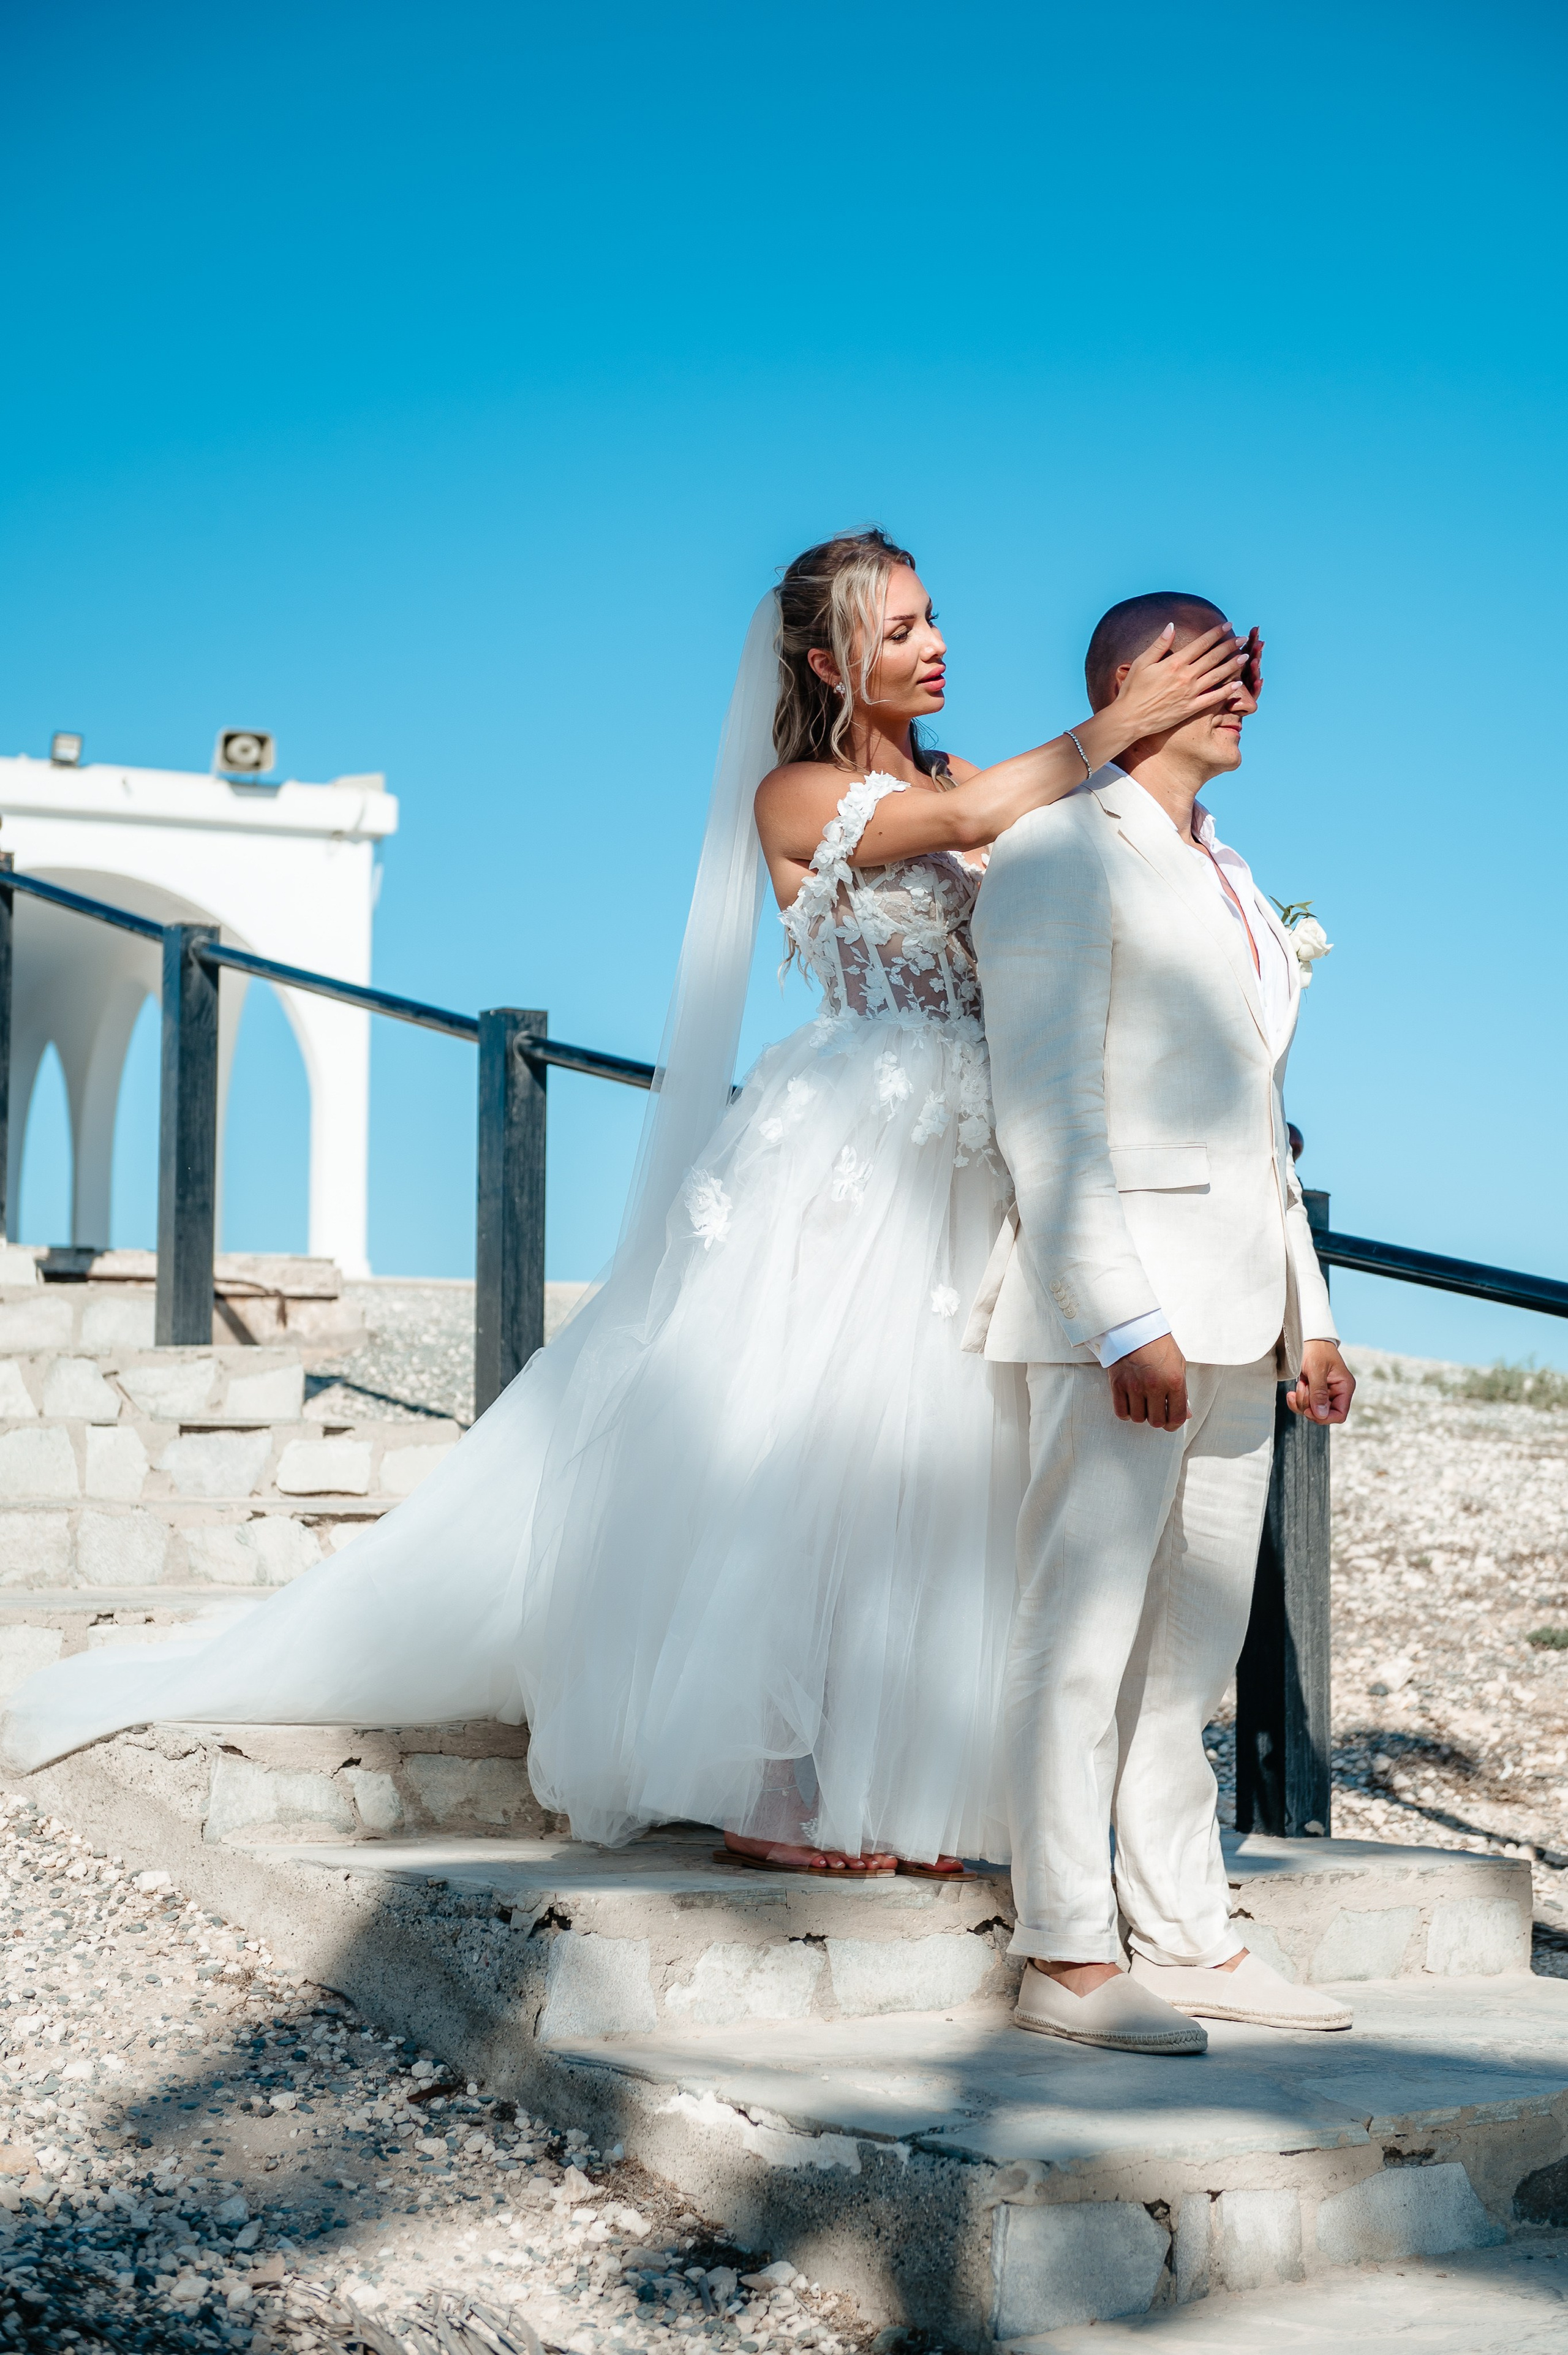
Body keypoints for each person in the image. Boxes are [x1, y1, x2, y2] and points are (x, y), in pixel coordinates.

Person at [0, 535, 1247, 1884]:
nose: (932, 643)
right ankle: (779, 1779)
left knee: (953, 1466)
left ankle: (915, 1781)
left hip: (978, 1157)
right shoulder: (799, 792)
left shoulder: (973, 774)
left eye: (933, 616)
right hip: (858, 1149)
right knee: (815, 1449)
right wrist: (1108, 727)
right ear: (828, 661)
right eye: (896, 631)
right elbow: (948, 832)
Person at [969, 589, 1357, 2051]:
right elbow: (1047, 1107)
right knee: (1075, 1634)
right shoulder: (1060, 850)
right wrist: (1118, 1315)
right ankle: (1066, 1950)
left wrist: (1304, 1314)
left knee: (1189, 1652)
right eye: (1210, 664)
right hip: (1113, 1316)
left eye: (1251, 665)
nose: (1242, 688)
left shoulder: (1238, 878)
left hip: (1241, 1315)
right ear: (1128, 678)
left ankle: (1187, 1929)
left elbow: (1258, 1126)